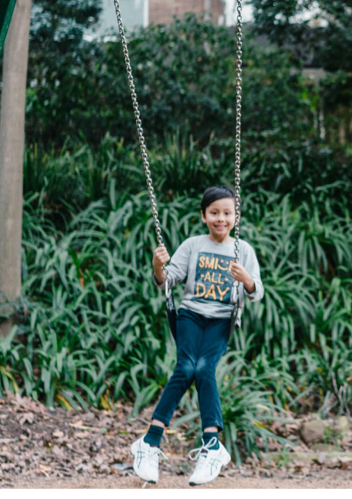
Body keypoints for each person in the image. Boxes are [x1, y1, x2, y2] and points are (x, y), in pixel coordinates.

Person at [128, 183, 259, 488]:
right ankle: (151, 444)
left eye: (227, 213)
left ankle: (202, 445)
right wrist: (158, 267)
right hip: (189, 315)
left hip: (221, 320)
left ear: (236, 216)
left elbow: (256, 293)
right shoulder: (192, 245)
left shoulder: (243, 250)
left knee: (203, 368)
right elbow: (167, 280)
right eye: (214, 213)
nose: (221, 219)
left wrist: (247, 280)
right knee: (186, 367)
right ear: (203, 215)